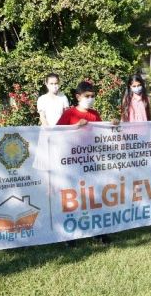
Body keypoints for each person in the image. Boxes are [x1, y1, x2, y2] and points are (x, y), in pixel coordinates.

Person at [56, 81, 111, 245]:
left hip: (91, 161)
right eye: (87, 96)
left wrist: (113, 126)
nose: (91, 99)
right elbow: (56, 134)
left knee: (93, 197)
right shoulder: (69, 114)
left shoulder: (94, 114)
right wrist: (75, 127)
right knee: (73, 198)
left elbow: (102, 132)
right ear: (78, 96)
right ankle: (70, 235)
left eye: (93, 96)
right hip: (72, 161)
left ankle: (97, 231)